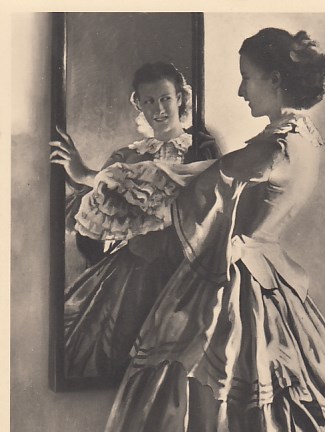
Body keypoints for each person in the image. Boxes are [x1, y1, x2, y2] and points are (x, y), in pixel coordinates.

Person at [77, 29, 325, 432]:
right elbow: (203, 178)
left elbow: (194, 188)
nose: (241, 91)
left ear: (275, 79)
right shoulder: (304, 139)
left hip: (238, 284)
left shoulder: (272, 148)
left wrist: (107, 184)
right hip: (276, 280)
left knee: (201, 417)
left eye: (247, 78)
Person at [50, 62, 220, 384]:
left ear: (180, 98)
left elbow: (205, 207)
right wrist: (82, 176)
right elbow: (96, 217)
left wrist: (89, 175)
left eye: (165, 98)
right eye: (149, 101)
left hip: (186, 267)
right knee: (119, 349)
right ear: (138, 104)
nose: (159, 109)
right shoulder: (125, 157)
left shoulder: (201, 147)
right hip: (136, 268)